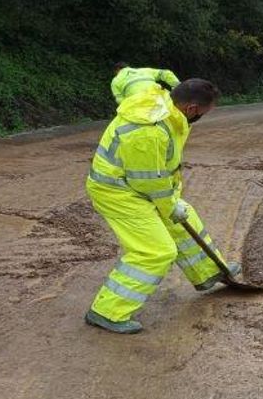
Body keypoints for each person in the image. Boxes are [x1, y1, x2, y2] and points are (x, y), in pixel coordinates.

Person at [84, 79, 238, 334]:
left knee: (186, 219)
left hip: (136, 185)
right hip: (118, 192)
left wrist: (173, 202)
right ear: (191, 109)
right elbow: (149, 183)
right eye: (204, 113)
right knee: (155, 252)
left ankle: (209, 272)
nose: (202, 117)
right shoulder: (149, 131)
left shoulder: (167, 106)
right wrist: (169, 205)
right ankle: (106, 312)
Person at [110, 62, 181, 104]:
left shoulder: (115, 80)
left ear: (117, 70)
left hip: (138, 104)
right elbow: (166, 73)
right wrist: (178, 89)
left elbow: (119, 100)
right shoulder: (144, 70)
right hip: (159, 98)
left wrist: (128, 108)